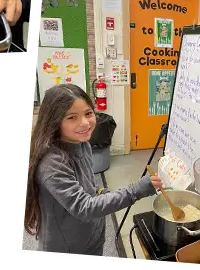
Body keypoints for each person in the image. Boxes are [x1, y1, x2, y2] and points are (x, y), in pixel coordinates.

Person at [24, 84, 163, 255]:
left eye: (88, 113)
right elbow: (84, 207)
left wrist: (102, 192)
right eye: (71, 117)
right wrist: (136, 190)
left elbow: (88, 188)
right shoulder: (52, 163)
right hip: (67, 247)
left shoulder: (82, 144)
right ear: (54, 121)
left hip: (92, 236)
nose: (85, 123)